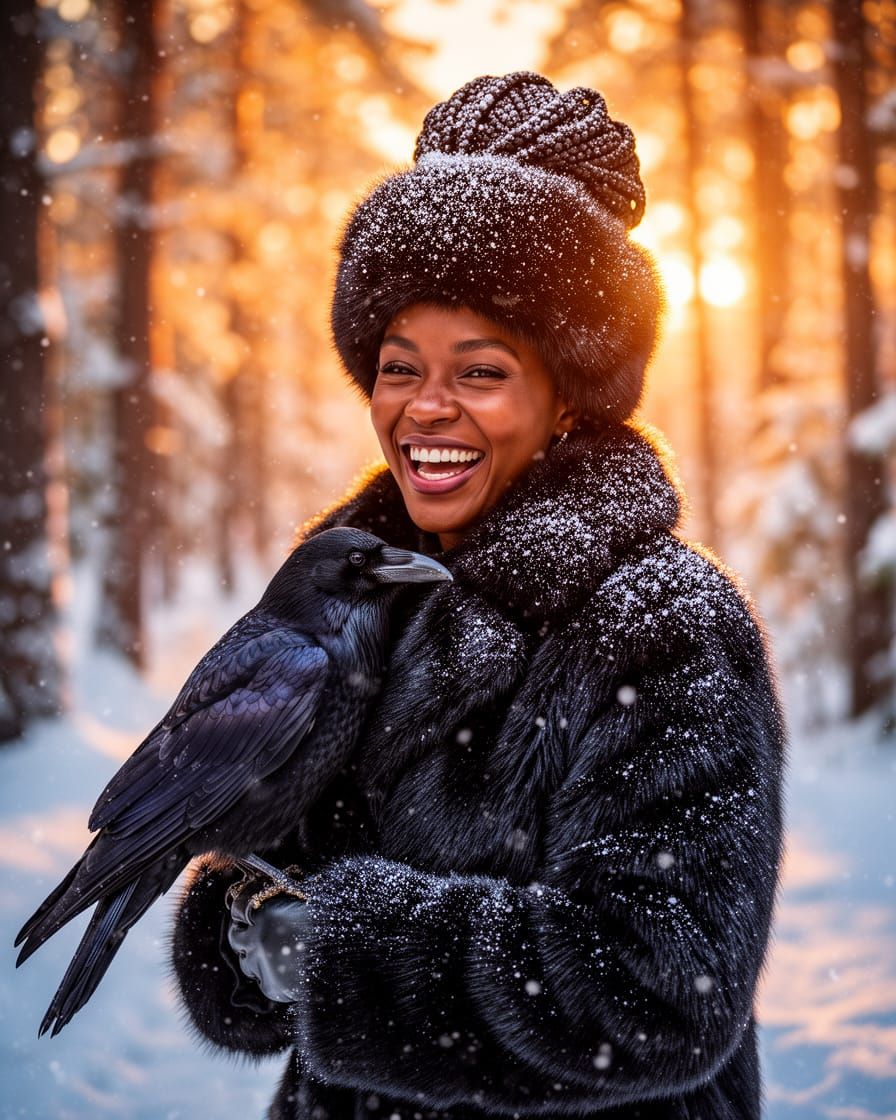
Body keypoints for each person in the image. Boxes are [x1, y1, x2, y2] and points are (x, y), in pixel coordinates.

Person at [169, 72, 785, 1120]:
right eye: (399, 366)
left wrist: (340, 949)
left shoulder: (663, 624)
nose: (425, 409)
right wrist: (241, 926)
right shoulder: (351, 595)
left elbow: (658, 982)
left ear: (567, 393)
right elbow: (267, 883)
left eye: (481, 370)